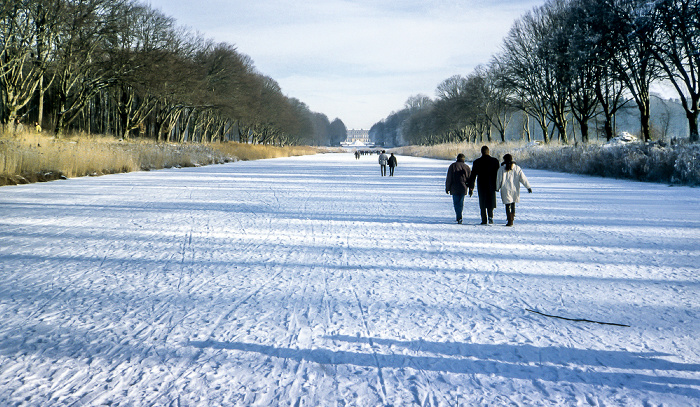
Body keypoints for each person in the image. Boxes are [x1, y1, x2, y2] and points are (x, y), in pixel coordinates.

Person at [496, 154, 532, 227]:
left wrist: (497, 187)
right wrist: (528, 187)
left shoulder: (501, 169)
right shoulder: (517, 168)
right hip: (515, 189)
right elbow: (523, 178)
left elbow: (498, 180)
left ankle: (509, 220)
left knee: (507, 205)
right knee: (513, 203)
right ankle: (512, 217)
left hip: (505, 189)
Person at [468, 146, 500, 224]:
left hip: (481, 184)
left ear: (481, 152)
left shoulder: (477, 162)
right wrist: (499, 185)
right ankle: (490, 216)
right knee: (491, 200)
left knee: (482, 201)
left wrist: (471, 187)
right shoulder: (495, 161)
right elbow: (499, 174)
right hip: (492, 184)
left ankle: (484, 219)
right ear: (488, 152)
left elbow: (473, 176)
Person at [445, 153, 471, 224]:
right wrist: (471, 188)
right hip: (463, 187)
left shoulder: (452, 166)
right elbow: (469, 179)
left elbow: (449, 178)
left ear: (457, 158)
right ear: (464, 159)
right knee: (461, 202)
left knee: (456, 203)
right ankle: (459, 216)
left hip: (454, 188)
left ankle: (458, 216)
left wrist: (447, 188)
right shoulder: (466, 167)